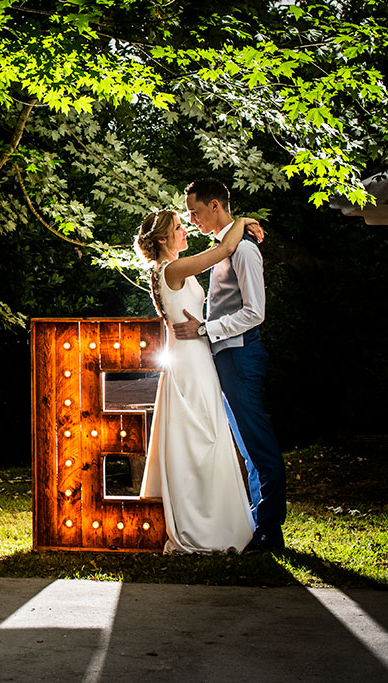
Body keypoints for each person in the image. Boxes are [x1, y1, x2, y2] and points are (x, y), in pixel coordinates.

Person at [173, 178, 285, 553]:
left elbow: (255, 312)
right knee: (244, 443)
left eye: (195, 211)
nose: (192, 219)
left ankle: (270, 529)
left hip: (241, 353)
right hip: (224, 355)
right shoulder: (224, 248)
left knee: (257, 442)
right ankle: (257, 521)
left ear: (215, 206)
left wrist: (205, 328)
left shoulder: (245, 251)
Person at [136, 209, 255, 553]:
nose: (185, 230)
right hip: (188, 361)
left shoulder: (168, 269)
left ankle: (218, 519)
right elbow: (220, 252)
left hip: (196, 356)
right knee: (199, 439)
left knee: (208, 436)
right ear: (163, 240)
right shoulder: (171, 269)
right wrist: (243, 222)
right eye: (178, 228)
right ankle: (202, 525)